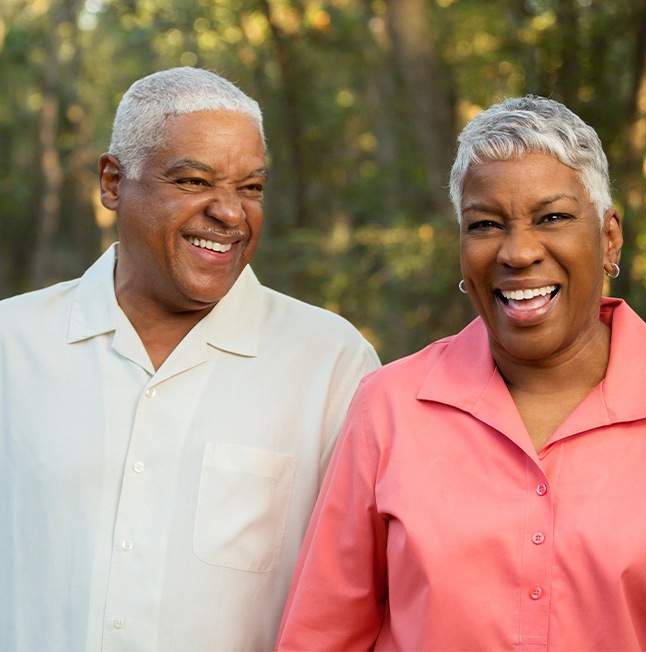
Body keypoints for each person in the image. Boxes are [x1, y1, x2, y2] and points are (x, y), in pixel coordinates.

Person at [276, 95, 646, 650]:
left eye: (552, 217)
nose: (518, 252)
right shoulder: (389, 407)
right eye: (485, 224)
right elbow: (321, 635)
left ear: (610, 237)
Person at [0, 67, 380, 651]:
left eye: (251, 187)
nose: (230, 213)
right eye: (194, 180)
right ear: (112, 183)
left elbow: (363, 599)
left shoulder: (332, 365)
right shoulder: (12, 346)